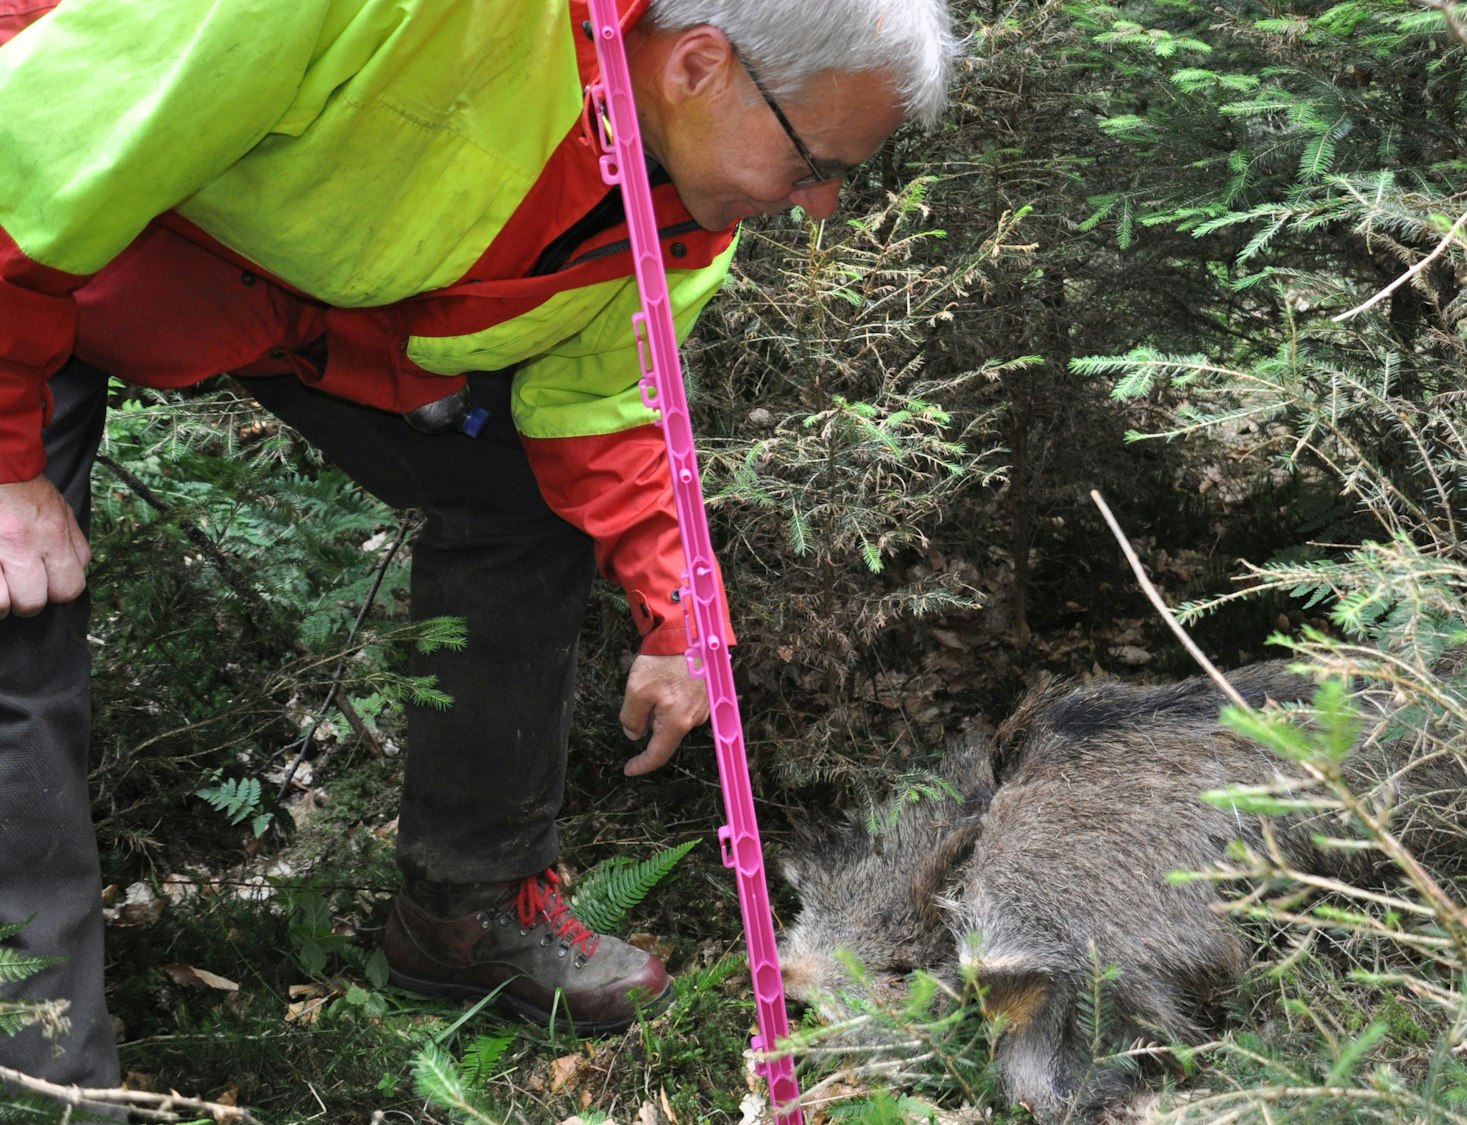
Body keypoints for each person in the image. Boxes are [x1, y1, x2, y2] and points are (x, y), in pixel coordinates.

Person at [0, 0, 958, 1106]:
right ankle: (39, 1070)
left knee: (521, 490)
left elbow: (596, 403)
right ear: (701, 64)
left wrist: (678, 615)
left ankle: (466, 909)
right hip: (34, 213)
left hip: (262, 283)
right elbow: (34, 154)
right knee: (16, 617)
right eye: (815, 165)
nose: (820, 206)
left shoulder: (677, 208)